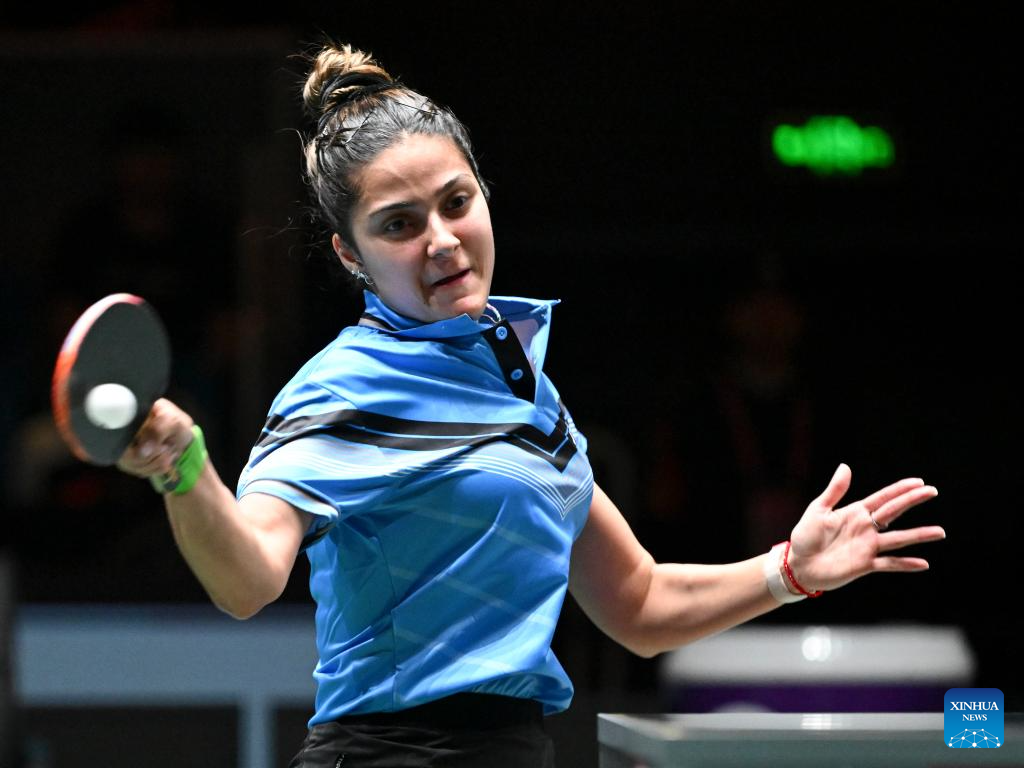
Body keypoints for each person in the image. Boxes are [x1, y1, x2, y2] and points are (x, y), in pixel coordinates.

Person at [113, 40, 945, 768]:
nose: (442, 240)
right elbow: (249, 580)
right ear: (350, 255)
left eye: (456, 202)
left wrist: (789, 572)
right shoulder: (342, 387)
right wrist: (187, 471)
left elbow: (640, 603)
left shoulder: (525, 393)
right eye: (399, 225)